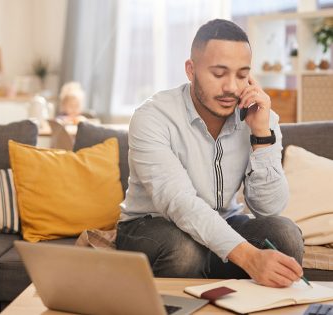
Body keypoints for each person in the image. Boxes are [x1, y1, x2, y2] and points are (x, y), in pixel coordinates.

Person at [116, 19, 304, 288]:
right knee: (184, 252)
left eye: (241, 75)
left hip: (222, 223)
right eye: (218, 74)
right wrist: (250, 258)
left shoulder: (261, 117)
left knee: (285, 235)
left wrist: (261, 136)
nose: (231, 87)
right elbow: (179, 202)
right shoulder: (153, 117)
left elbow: (269, 208)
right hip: (151, 227)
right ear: (191, 70)